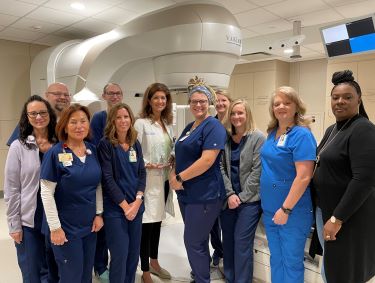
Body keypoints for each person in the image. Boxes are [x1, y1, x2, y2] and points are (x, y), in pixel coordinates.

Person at [312, 70, 375, 283]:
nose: (340, 102)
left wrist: (337, 218)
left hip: (347, 217)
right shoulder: (333, 129)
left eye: (347, 97)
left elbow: (364, 179)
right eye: (335, 97)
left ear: (358, 100)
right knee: (331, 268)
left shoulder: (363, 129)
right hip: (326, 210)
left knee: (343, 271)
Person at [169, 76, 227, 283]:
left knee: (192, 241)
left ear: (210, 103)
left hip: (205, 194)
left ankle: (202, 279)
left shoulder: (214, 127)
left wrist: (179, 177)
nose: (198, 105)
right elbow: (179, 152)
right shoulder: (190, 127)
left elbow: (207, 160)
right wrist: (173, 171)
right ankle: (200, 275)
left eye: (203, 101)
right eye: (194, 101)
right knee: (198, 240)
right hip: (187, 193)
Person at [40, 104, 104, 283]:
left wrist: (99, 214)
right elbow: (46, 192)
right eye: (73, 122)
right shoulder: (55, 153)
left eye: (83, 121)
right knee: (71, 276)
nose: (79, 126)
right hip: (65, 228)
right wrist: (55, 227)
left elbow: (97, 184)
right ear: (65, 126)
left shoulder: (92, 150)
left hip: (90, 226)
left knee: (85, 275)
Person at [260, 86, 316, 283]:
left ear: (296, 107)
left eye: (286, 102)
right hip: (270, 210)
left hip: (291, 211)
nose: (281, 107)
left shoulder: (302, 135)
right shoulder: (272, 133)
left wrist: (286, 208)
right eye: (277, 104)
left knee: (291, 261)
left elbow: (304, 177)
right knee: (276, 259)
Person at [4, 95, 57, 283]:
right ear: (26, 117)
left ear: (50, 114)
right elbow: (11, 189)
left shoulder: (61, 144)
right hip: (30, 218)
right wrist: (14, 224)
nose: (39, 117)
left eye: (42, 112)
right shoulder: (19, 146)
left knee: (54, 271)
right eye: (33, 113)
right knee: (32, 272)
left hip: (57, 217)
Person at [97, 103, 146, 283]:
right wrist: (126, 207)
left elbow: (142, 172)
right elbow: (108, 179)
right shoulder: (105, 145)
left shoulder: (135, 142)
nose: (123, 120)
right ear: (112, 120)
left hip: (136, 207)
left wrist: (138, 201)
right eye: (118, 117)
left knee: (133, 254)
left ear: (131, 119)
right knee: (120, 254)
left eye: (126, 117)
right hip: (116, 210)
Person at [220, 99, 265, 283]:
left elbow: (257, 170)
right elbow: (220, 168)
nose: (236, 117)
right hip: (228, 200)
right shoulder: (225, 138)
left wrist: (241, 196)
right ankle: (230, 278)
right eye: (233, 113)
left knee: (241, 242)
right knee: (228, 242)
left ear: (247, 115)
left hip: (250, 201)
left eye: (240, 113)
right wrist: (230, 194)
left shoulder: (258, 138)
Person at [134, 83, 174, 283]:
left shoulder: (167, 124)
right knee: (146, 226)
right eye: (156, 97)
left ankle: (155, 261)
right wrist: (147, 164)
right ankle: (145, 271)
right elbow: (133, 153)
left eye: (164, 98)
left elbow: (171, 149)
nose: (160, 101)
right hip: (148, 182)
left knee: (157, 223)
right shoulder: (140, 124)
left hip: (164, 180)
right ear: (149, 100)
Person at [90, 82, 124, 281]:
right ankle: (100, 266)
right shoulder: (99, 119)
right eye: (110, 93)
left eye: (117, 93)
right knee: (101, 225)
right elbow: (95, 149)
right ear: (104, 95)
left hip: (123, 182)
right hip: (104, 180)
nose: (114, 96)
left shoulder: (127, 118)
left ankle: (118, 263)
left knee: (118, 228)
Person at [7, 82, 71, 146]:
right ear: (46, 96)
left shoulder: (74, 119)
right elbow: (14, 149)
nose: (63, 97)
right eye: (57, 94)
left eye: (66, 95)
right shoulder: (33, 120)